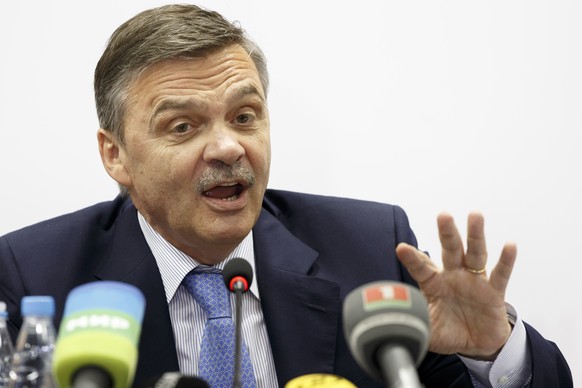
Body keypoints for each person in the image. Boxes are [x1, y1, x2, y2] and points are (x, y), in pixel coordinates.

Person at [0, 4, 572, 387]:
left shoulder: (376, 252)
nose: (228, 147)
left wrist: (493, 351)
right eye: (183, 127)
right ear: (115, 156)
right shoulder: (34, 278)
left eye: (245, 116)